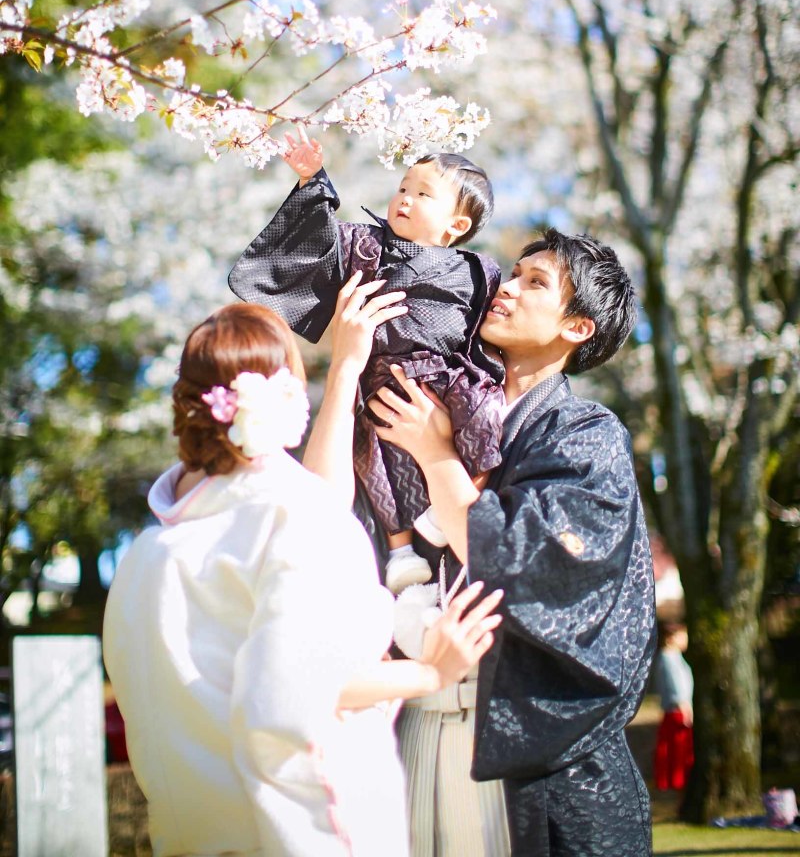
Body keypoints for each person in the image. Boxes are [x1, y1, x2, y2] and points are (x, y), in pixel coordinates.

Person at [102, 293, 503, 857]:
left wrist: (346, 370)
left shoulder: (145, 559)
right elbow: (290, 696)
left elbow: (314, 501)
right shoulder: (295, 521)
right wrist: (429, 672)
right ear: (284, 395)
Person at [369, 228, 657, 857]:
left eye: (536, 283)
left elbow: (516, 557)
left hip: (522, 738)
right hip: (414, 712)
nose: (506, 288)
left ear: (576, 327)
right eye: (513, 273)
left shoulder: (585, 434)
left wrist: (435, 454)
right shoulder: (443, 403)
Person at [228, 128, 505, 596]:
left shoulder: (479, 271)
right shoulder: (367, 248)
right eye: (403, 188)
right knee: (371, 457)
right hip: (378, 381)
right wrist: (313, 180)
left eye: (423, 194)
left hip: (448, 381)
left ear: (456, 226)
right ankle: (400, 550)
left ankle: (461, 500)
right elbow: (320, 242)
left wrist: (483, 379)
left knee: (488, 416)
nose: (405, 199)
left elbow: (488, 338)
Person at [653, 620, 694, 792]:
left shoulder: (674, 657)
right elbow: (675, 685)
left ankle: (677, 779)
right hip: (677, 709)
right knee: (676, 745)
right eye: (682, 636)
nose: (685, 640)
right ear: (671, 638)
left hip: (679, 708)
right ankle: (674, 781)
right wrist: (684, 706)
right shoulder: (668, 658)